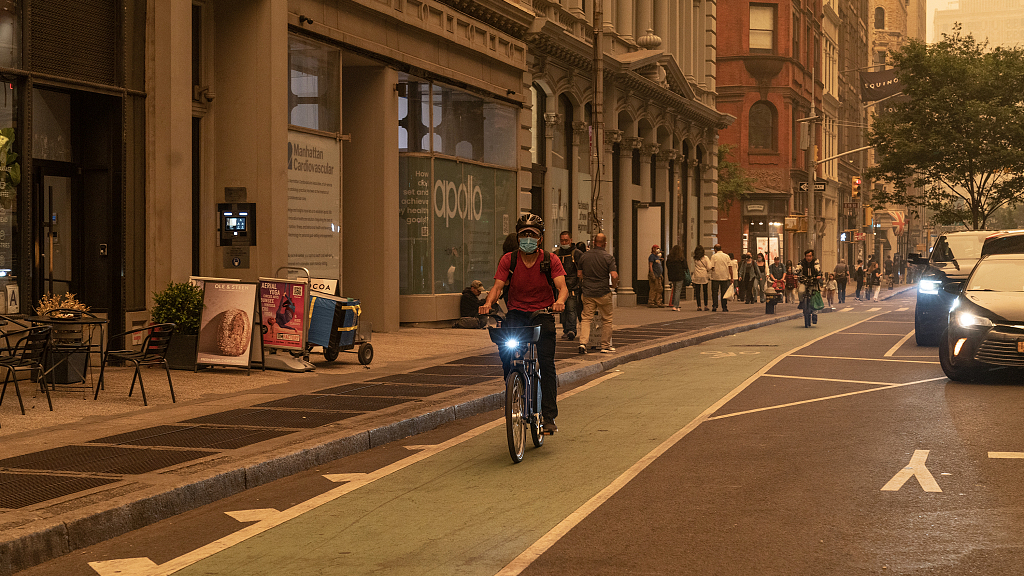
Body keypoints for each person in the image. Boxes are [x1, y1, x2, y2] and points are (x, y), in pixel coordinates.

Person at [479, 213, 569, 434]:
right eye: (523, 234)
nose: (527, 238)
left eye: (532, 234)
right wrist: (488, 302)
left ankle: (549, 417)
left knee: (546, 364)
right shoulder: (509, 260)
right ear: (518, 237)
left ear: (539, 239)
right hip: (517, 313)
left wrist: (559, 302)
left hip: (542, 313)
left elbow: (562, 287)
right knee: (505, 347)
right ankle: (513, 384)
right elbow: (498, 287)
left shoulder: (550, 260)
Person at [577, 232, 618, 355]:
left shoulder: (584, 256)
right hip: (603, 292)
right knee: (607, 319)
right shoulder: (608, 257)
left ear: (594, 242)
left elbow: (579, 274)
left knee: (586, 319)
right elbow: (614, 275)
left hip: (588, 292)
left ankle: (583, 343)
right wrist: (614, 285)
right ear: (605, 244)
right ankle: (605, 345)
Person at [555, 231, 583, 340]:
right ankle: (566, 330)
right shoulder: (557, 253)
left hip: (572, 287)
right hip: (560, 286)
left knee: (571, 309)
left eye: (566, 240)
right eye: (562, 240)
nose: (564, 242)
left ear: (571, 240)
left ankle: (572, 330)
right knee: (562, 310)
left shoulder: (576, 253)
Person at [798, 249, 823, 328]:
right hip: (804, 280)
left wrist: (819, 275)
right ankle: (802, 302)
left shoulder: (815, 261)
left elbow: (818, 269)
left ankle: (815, 313)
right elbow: (798, 268)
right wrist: (796, 274)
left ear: (812, 256)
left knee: (815, 295)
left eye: (810, 256)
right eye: (807, 256)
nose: (808, 258)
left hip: (814, 280)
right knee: (800, 291)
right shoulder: (802, 262)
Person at [709, 244, 733, 312]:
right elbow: (730, 267)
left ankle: (715, 305)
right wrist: (731, 277)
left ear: (715, 249)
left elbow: (712, 266)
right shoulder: (726, 256)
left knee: (715, 292)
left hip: (715, 277)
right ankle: (724, 307)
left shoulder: (714, 256)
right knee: (724, 292)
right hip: (724, 276)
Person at [666, 244, 688, 311]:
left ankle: (673, 303)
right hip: (679, 276)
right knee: (678, 290)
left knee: (675, 289)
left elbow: (667, 266)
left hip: (672, 276)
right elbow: (685, 266)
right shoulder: (681, 258)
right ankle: (676, 306)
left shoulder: (670, 258)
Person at [692, 245, 711, 311]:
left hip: (697, 275)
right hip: (704, 275)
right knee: (705, 291)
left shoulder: (695, 258)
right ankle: (706, 305)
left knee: (697, 291)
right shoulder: (705, 258)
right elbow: (709, 267)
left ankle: (699, 306)